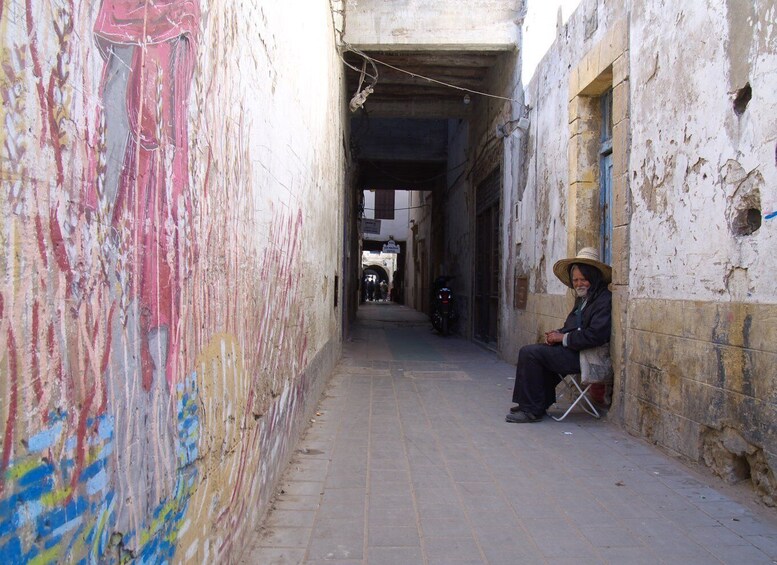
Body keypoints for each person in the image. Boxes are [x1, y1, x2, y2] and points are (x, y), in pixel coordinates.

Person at [506, 247, 612, 423]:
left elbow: (596, 335)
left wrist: (562, 338)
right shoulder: (583, 300)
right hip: (574, 350)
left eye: (583, 280)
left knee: (530, 353)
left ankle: (531, 410)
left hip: (588, 356)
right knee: (537, 350)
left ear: (593, 278)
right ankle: (533, 403)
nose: (579, 284)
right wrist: (557, 334)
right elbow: (570, 326)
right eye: (576, 280)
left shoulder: (603, 300)